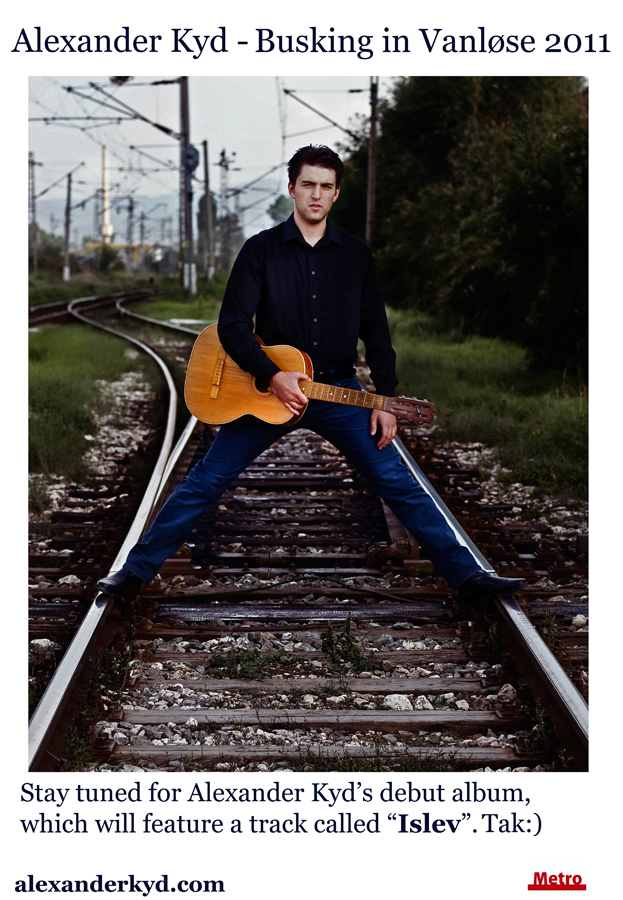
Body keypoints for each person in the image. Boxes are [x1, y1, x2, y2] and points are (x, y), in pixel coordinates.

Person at [97, 144, 525, 610]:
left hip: (339, 389)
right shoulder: (260, 250)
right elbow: (232, 327)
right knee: (205, 481)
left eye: (325, 186)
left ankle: (469, 578)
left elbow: (376, 333)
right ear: (292, 189)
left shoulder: (356, 256)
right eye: (308, 185)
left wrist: (385, 399)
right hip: (268, 393)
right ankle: (133, 574)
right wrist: (271, 376)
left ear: (336, 193)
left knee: (397, 481)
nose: (315, 194)